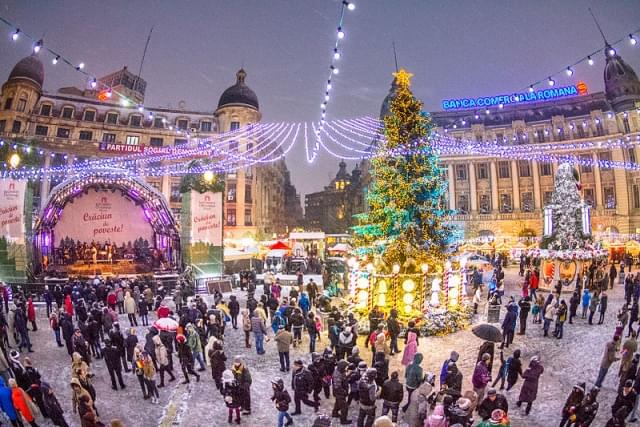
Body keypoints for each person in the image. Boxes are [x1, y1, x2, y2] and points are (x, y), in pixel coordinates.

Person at [332, 359, 352, 425]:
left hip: (339, 394)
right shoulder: (337, 375)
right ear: (342, 367)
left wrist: (348, 375)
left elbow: (344, 378)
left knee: (337, 403)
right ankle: (343, 421)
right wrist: (345, 392)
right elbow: (338, 387)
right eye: (346, 366)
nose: (347, 368)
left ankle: (334, 414)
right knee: (344, 407)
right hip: (340, 393)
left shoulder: (341, 371)